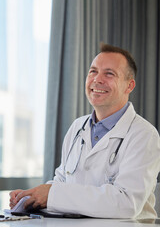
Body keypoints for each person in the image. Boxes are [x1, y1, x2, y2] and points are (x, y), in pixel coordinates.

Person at [9, 44, 160, 219]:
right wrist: (33, 196)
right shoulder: (77, 127)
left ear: (129, 86)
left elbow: (127, 204)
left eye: (109, 74)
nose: (97, 79)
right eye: (93, 71)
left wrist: (51, 194)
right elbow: (62, 181)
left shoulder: (144, 135)